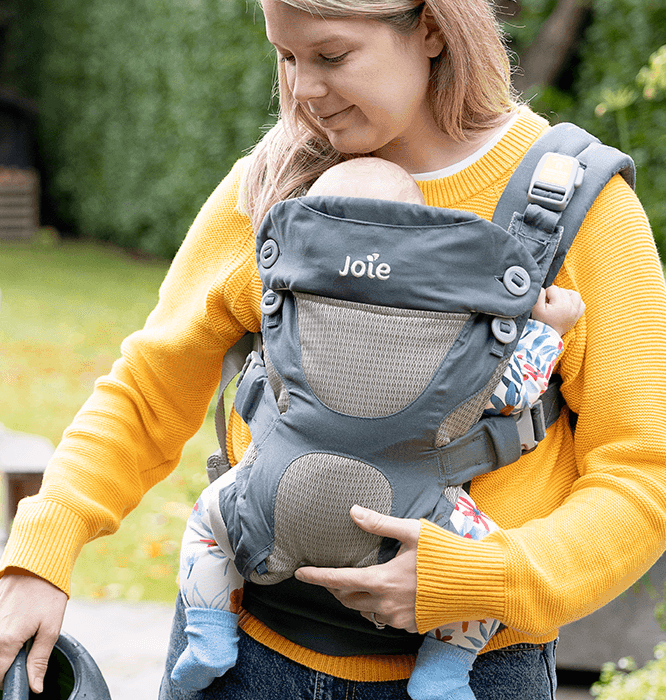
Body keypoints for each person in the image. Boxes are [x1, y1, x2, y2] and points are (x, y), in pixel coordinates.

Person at [0, 0, 666, 697]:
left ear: (433, 29)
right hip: (240, 663)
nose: (302, 90)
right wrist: (42, 554)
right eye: (285, 56)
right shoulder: (271, 186)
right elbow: (147, 389)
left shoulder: (574, 205)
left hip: (474, 672)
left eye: (331, 56)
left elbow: (642, 478)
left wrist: (479, 579)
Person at [166, 155, 584, 700]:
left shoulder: (288, 303)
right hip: (414, 518)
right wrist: (547, 331)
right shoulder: (451, 329)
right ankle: (443, 670)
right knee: (480, 572)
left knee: (206, 524)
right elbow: (510, 395)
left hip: (271, 501)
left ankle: (208, 634)